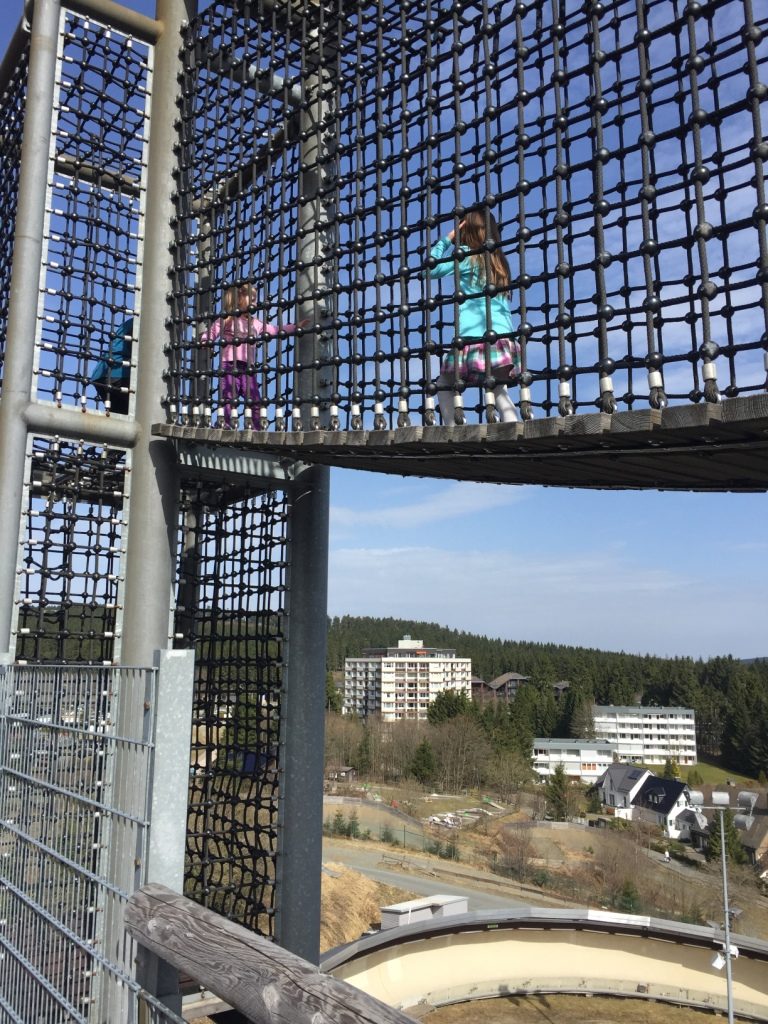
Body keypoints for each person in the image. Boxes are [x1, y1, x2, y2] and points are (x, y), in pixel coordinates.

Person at [427, 208, 520, 424]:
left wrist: (447, 239)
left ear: (465, 230)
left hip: (473, 337)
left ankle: (452, 428)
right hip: (504, 339)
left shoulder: (467, 258)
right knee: (497, 388)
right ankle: (513, 424)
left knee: (443, 384)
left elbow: (429, 270)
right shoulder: (500, 262)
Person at [200, 282, 307, 429]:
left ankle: (257, 427)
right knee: (228, 397)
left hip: (248, 369)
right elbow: (213, 331)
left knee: (255, 400)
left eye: (255, 298)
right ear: (239, 299)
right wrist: (206, 341)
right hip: (229, 365)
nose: (255, 302)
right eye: (252, 298)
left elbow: (274, 330)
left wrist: (295, 327)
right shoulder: (227, 319)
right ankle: (223, 423)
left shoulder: (254, 323)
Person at [91, 317, 134, 415]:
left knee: (123, 417)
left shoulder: (131, 323)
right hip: (119, 373)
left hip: (101, 375)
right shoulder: (144, 324)